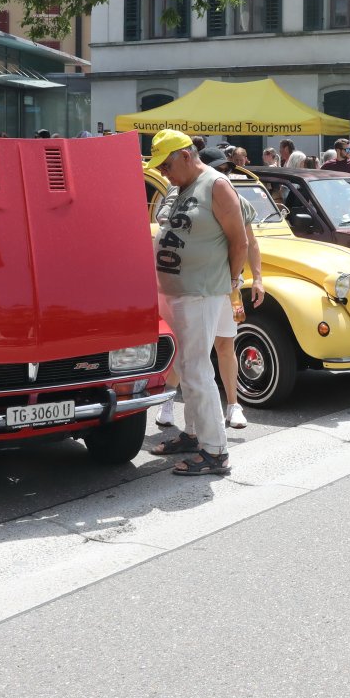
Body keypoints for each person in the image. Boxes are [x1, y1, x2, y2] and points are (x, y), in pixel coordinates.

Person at [144, 129, 249, 476]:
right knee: (187, 366)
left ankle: (216, 450)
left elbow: (240, 240)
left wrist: (231, 283)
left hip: (200, 291)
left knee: (197, 368)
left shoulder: (216, 184)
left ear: (186, 156)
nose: (163, 172)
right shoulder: (182, 185)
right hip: (177, 291)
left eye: (167, 165)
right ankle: (193, 434)